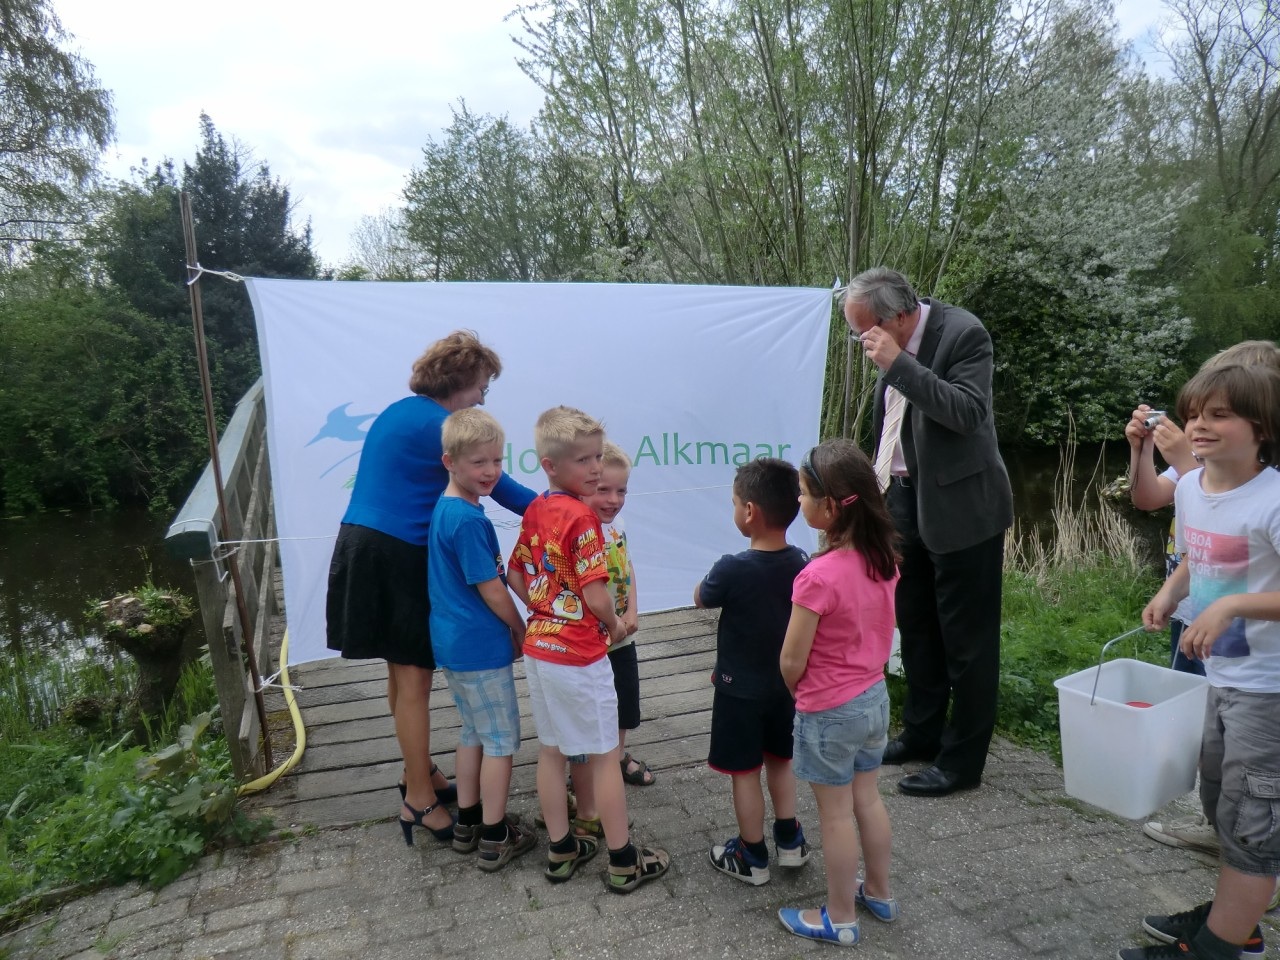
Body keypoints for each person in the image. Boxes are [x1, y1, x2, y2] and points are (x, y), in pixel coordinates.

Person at [325, 330, 535, 845]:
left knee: (401, 677)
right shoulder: (441, 426)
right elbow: (501, 488)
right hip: (395, 551)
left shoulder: (402, 410)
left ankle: (417, 772)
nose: (484, 396)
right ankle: (418, 799)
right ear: (461, 380)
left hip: (364, 544)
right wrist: (560, 512)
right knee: (415, 681)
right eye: (483, 385)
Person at [1120, 362, 1280, 960]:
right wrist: (1171, 592)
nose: (1198, 426)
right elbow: (1198, 554)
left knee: (1251, 832)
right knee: (1221, 805)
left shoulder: (1273, 498)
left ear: (1261, 426)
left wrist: (1234, 604)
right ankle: (1241, 924)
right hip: (1221, 679)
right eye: (1193, 415)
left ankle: (1218, 950)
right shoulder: (1192, 487)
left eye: (1219, 415)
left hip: (1269, 692)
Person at [842, 267, 1012, 797]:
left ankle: (962, 763)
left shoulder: (964, 334)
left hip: (964, 508)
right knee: (915, 626)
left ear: (899, 315)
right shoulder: (890, 336)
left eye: (865, 329)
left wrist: (901, 365)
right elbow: (895, 423)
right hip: (904, 501)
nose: (861, 340)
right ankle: (921, 733)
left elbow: (968, 413)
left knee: (967, 640)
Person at [507, 406, 670, 892]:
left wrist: (543, 609)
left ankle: (562, 850)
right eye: (585, 461)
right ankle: (622, 862)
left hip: (539, 649)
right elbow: (597, 593)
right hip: (580, 655)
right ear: (551, 465)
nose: (596, 469)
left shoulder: (537, 508)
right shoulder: (583, 520)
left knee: (552, 753)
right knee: (603, 759)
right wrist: (614, 624)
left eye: (598, 457)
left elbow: (516, 572)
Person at [777, 439, 899, 947]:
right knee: (867, 799)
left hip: (829, 711)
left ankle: (840, 916)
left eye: (804, 495)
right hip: (874, 699)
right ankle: (880, 892)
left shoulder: (817, 576)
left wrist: (799, 692)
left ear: (830, 507)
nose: (799, 502)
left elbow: (790, 659)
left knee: (833, 814)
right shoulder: (885, 559)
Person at [427, 408, 536, 869]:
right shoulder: (470, 521)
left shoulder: (446, 508)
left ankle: (468, 820)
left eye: (497, 461)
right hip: (479, 645)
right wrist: (518, 626)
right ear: (449, 461)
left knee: (473, 731)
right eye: (479, 463)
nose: (491, 471)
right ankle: (495, 835)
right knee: (500, 740)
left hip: (452, 643)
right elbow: (491, 588)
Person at [693, 457, 810, 886]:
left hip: (738, 692)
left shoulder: (732, 567)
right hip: (785, 690)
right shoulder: (801, 560)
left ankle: (752, 855)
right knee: (780, 761)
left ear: (749, 513)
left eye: (734, 502)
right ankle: (790, 840)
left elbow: (701, 598)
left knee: (745, 772)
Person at [582, 441, 654, 787]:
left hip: (623, 633)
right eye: (603, 490)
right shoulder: (581, 530)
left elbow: (628, 567)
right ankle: (588, 766)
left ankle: (617, 753)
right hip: (593, 637)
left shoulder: (618, 524)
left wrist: (633, 611)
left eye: (621, 490)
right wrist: (611, 624)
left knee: (624, 698)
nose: (613, 499)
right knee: (592, 704)